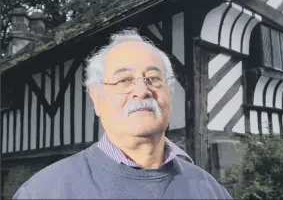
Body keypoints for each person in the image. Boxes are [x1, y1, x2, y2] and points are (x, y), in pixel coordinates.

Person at [13, 28, 232, 199]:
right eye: (124, 80)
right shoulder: (44, 192)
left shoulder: (211, 190)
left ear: (169, 93)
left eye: (154, 78)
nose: (142, 90)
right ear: (97, 98)